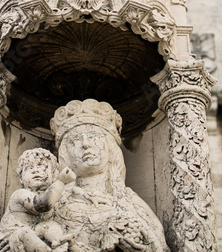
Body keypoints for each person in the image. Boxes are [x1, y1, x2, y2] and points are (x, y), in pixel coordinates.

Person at [50, 99, 170, 252]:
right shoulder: (54, 203)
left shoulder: (131, 203)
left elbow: (159, 247)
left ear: (110, 149)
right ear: (66, 153)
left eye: (93, 136)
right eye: (76, 140)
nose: (85, 144)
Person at [0, 148, 76, 252]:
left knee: (52, 226)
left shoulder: (57, 199)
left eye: (41, 166)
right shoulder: (20, 194)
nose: (35, 170)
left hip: (35, 234)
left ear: (54, 174)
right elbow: (42, 204)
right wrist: (61, 181)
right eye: (30, 168)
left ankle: (59, 244)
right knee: (23, 233)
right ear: (21, 178)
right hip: (12, 241)